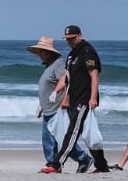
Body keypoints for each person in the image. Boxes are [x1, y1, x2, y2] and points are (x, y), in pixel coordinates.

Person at [48, 25, 109, 173]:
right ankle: (102, 166)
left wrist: (93, 98)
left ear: (80, 35)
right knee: (88, 134)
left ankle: (57, 164)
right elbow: (67, 78)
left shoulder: (87, 52)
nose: (70, 42)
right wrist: (60, 93)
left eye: (72, 38)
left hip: (85, 99)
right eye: (67, 39)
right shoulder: (71, 55)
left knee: (72, 132)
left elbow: (94, 75)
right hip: (74, 98)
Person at [28, 36, 89, 172]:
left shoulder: (59, 64)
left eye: (41, 52)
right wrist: (41, 106)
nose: (39, 55)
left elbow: (67, 82)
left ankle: (83, 158)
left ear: (49, 52)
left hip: (57, 109)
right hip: (48, 109)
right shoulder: (49, 66)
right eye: (38, 52)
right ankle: (53, 164)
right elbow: (47, 89)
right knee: (48, 141)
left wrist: (65, 101)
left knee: (62, 140)